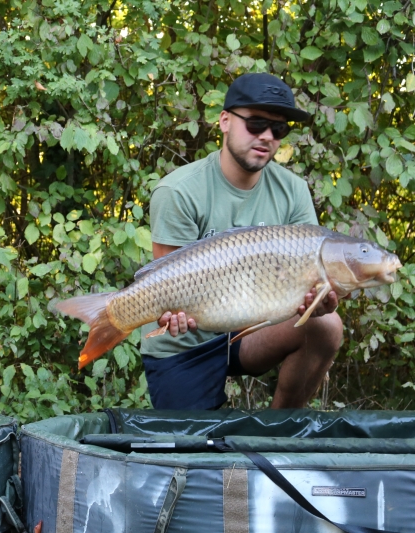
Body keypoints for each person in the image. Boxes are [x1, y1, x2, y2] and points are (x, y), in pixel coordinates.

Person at [141, 72, 343, 410]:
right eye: (255, 124)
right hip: (187, 341)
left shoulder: (293, 191)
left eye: (278, 129)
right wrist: (168, 313)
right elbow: (165, 289)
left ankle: (280, 432)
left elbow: (308, 281)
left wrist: (317, 300)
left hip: (254, 328)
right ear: (224, 121)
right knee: (192, 454)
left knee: (327, 325)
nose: (266, 136)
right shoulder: (178, 191)